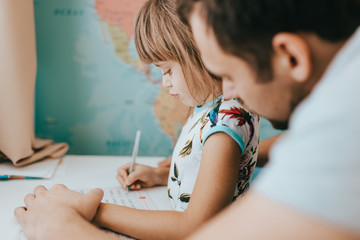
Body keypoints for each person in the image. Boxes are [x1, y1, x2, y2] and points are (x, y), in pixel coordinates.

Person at [14, 0, 260, 239]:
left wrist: (90, 209)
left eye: (168, 70)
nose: (165, 82)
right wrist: (159, 175)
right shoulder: (209, 108)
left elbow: (193, 227)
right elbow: (210, 175)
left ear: (197, 53)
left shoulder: (225, 123)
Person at [174, 0, 360, 239]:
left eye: (228, 75)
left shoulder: (347, 116)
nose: (228, 92)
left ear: (291, 57)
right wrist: (212, 161)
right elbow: (302, 140)